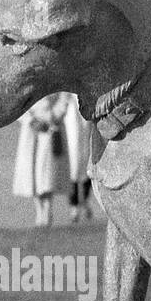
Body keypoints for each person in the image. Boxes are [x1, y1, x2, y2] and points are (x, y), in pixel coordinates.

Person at [12, 91, 70, 226]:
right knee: (32, 170)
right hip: (31, 129)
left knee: (48, 171)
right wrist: (30, 120)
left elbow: (64, 96)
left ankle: (48, 209)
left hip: (51, 127)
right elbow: (16, 102)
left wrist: (54, 115)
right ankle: (39, 210)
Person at [62, 90, 94, 223]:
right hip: (70, 106)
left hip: (86, 105)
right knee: (73, 157)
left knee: (88, 155)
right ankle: (74, 205)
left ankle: (85, 200)